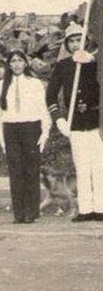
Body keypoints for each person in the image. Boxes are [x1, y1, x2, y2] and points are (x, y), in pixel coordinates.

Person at [46, 21, 103, 222]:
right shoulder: (63, 66)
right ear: (67, 44)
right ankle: (85, 209)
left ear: (85, 41)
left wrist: (94, 59)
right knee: (82, 166)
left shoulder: (95, 61)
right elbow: (50, 96)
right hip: (75, 122)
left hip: (97, 120)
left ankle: (100, 208)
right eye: (71, 41)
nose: (75, 45)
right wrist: (59, 119)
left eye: (78, 40)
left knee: (98, 166)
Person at [0, 51, 50, 224]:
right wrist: (2, 141)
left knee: (31, 170)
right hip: (10, 129)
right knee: (16, 171)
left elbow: (42, 109)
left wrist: (44, 132)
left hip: (30, 127)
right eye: (13, 61)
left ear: (26, 63)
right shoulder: (2, 85)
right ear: (9, 64)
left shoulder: (34, 83)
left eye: (20, 60)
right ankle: (19, 213)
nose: (16, 64)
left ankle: (31, 212)